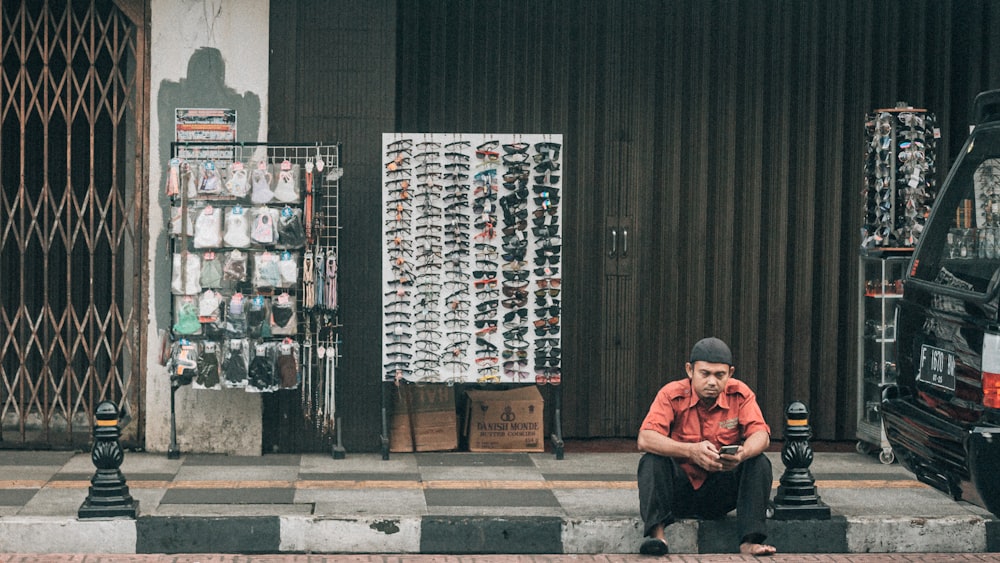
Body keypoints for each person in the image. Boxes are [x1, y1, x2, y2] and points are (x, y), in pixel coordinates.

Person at [636, 337, 776, 556]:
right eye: (705, 374)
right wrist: (690, 450)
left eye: (719, 375)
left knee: (759, 462)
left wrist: (742, 454)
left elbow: (762, 434)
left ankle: (750, 541)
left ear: (730, 373)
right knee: (651, 460)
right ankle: (658, 537)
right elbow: (645, 438)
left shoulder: (740, 394)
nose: (712, 382)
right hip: (679, 493)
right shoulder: (671, 394)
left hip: (719, 492)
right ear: (690, 370)